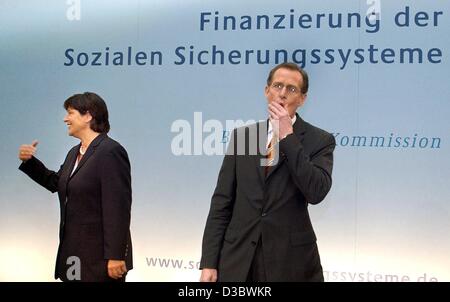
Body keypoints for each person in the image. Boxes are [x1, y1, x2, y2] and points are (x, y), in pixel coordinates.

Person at [199, 63, 336, 282]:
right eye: (277, 85)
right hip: (239, 258)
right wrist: (209, 261)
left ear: (302, 99)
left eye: (291, 89)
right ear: (267, 91)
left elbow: (316, 192)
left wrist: (288, 137)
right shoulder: (243, 137)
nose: (282, 93)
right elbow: (222, 202)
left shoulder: (320, 140)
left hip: (290, 261)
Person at [18, 92, 132, 282]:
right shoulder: (74, 153)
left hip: (100, 259)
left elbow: (118, 207)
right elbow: (56, 183)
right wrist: (29, 162)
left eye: (70, 113)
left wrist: (116, 255)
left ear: (88, 116)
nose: (65, 119)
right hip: (73, 253)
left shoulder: (110, 151)